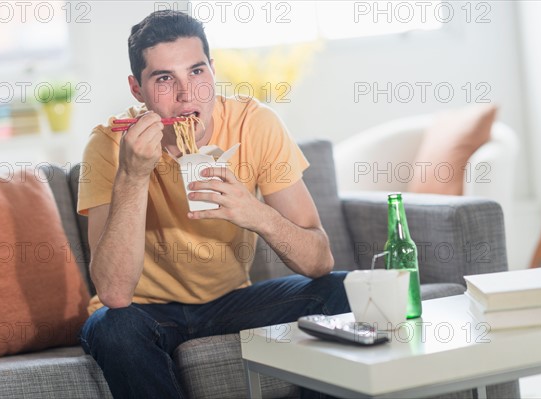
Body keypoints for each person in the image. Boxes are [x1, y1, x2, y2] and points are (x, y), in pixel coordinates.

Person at [77, 9, 349, 398]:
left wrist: (256, 214)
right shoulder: (109, 143)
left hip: (231, 303)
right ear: (137, 90)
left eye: (197, 72)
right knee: (112, 326)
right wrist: (133, 175)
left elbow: (319, 261)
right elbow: (115, 294)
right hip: (146, 313)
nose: (187, 95)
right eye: (164, 79)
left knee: (339, 291)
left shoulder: (255, 124)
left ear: (213, 70)